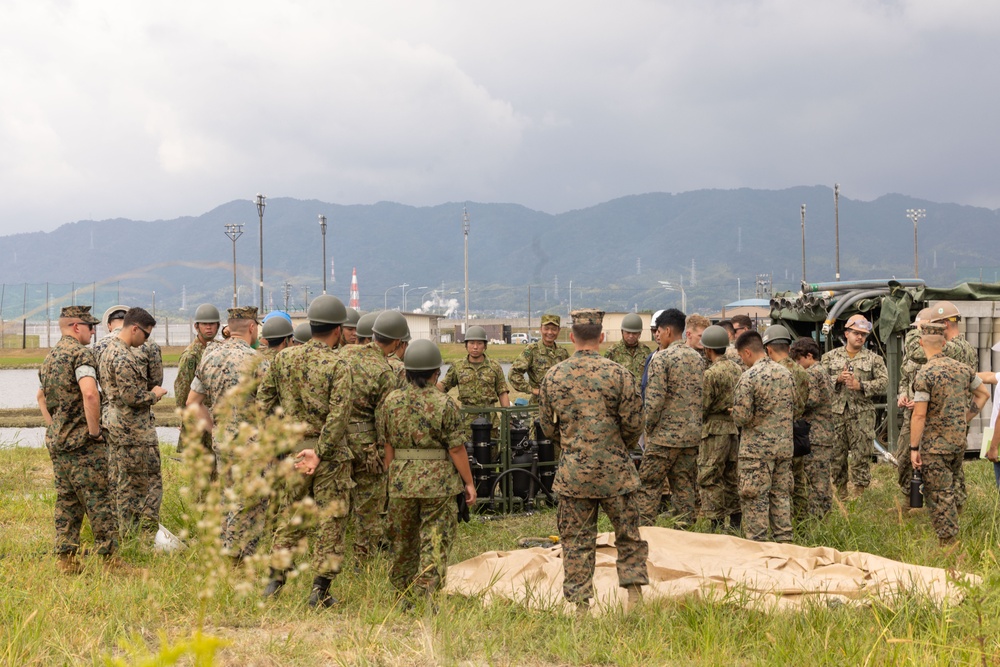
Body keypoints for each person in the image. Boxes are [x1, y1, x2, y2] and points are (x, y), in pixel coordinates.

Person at [538, 309, 647, 611]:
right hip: (617, 472)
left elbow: (547, 427)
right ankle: (634, 597)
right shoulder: (619, 374)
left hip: (574, 474)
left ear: (571, 337)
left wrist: (573, 445)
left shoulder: (554, 376)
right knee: (628, 536)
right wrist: (616, 447)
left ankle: (581, 607)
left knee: (576, 541)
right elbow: (635, 423)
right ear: (601, 337)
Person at [257, 295, 353, 607]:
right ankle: (319, 591)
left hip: (294, 452)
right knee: (331, 520)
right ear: (337, 330)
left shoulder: (283, 359)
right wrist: (321, 451)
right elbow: (339, 415)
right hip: (330, 457)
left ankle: (274, 582)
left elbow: (263, 403)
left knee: (291, 516)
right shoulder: (339, 365)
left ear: (311, 326)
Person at [379, 339, 476, 604]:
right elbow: (456, 449)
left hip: (401, 481)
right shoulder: (446, 404)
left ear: (407, 371)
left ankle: (402, 592)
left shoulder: (391, 401)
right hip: (439, 482)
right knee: (435, 536)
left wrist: (390, 476)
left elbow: (387, 444)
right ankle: (427, 594)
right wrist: (469, 483)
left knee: (402, 538)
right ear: (436, 372)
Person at [37, 306, 118, 572]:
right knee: (99, 499)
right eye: (89, 326)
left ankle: (66, 559)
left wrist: (55, 428)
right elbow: (90, 394)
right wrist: (94, 432)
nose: (93, 331)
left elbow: (41, 397)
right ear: (75, 327)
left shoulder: (51, 357)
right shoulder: (80, 354)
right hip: (83, 444)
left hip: (59, 443)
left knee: (67, 501)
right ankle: (111, 561)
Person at [186, 307, 264, 560]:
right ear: (252, 328)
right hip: (250, 441)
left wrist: (215, 428)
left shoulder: (210, 355)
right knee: (249, 500)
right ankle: (238, 557)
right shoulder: (257, 360)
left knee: (226, 495)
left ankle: (223, 549)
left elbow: (193, 403)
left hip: (222, 438)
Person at [909, 322, 989, 546]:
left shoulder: (925, 374)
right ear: (944, 343)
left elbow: (919, 416)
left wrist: (914, 448)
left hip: (935, 446)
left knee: (939, 493)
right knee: (956, 484)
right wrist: (964, 418)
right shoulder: (963, 369)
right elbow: (983, 395)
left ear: (920, 343)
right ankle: (957, 522)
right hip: (957, 441)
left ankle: (949, 544)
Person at [338, 310, 407, 562]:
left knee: (337, 503)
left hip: (337, 441)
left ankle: (331, 557)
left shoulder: (341, 355)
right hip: (367, 447)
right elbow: (384, 421)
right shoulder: (383, 371)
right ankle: (362, 561)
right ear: (398, 343)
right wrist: (385, 454)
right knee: (368, 507)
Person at [98, 307, 168, 536]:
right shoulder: (123, 356)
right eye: (146, 335)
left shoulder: (108, 349)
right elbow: (131, 396)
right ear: (135, 329)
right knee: (137, 485)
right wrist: (154, 395)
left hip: (116, 424)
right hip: (132, 429)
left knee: (120, 480)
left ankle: (122, 531)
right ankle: (134, 534)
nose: (147, 340)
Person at [637, 308, 704, 527]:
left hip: (664, 437)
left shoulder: (662, 359)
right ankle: (684, 532)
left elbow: (654, 401)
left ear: (667, 330)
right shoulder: (697, 358)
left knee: (648, 484)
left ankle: (644, 531)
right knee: (684, 485)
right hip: (691, 436)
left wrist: (647, 428)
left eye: (659, 330)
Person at [732, 330, 794, 543]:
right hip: (784, 447)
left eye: (741, 356)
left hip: (756, 451)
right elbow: (796, 406)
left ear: (747, 352)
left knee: (755, 498)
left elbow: (741, 417)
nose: (742, 360)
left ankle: (757, 545)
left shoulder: (749, 377)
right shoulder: (786, 373)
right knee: (781, 496)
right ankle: (784, 542)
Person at [821, 314, 888, 500]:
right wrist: (837, 379)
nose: (860, 337)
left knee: (861, 456)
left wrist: (862, 386)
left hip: (862, 414)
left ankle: (859, 495)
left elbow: (884, 383)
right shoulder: (829, 357)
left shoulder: (874, 359)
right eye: (856, 333)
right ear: (847, 333)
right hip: (836, 414)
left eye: (863, 334)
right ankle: (840, 493)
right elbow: (819, 381)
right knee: (836, 456)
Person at [762, 325, 810, 518]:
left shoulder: (770, 372)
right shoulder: (801, 371)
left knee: (777, 482)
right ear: (789, 348)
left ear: (768, 349)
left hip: (774, 434)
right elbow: (803, 402)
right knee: (798, 479)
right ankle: (801, 520)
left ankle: (780, 520)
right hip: (796, 431)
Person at [697, 325, 741, 531]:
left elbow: (703, 406)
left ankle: (714, 523)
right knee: (731, 476)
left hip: (714, 430)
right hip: (733, 428)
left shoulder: (711, 374)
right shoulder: (736, 368)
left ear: (708, 349)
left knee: (710, 475)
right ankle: (734, 523)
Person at [790, 337, 835, 518]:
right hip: (824, 432)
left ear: (809, 356)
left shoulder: (813, 373)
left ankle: (817, 517)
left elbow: (811, 399)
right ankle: (824, 514)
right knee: (822, 477)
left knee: (815, 480)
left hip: (815, 434)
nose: (798, 365)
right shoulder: (823, 371)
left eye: (799, 360)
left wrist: (794, 401)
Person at [437, 325, 510, 434]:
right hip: (466, 423)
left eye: (479, 343)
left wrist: (508, 417)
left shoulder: (494, 366)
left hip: (489, 421)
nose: (475, 347)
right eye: (471, 343)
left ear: (485, 345)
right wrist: (427, 381)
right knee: (467, 450)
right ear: (466, 345)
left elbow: (502, 392)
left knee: (491, 450)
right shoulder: (458, 366)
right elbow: (443, 387)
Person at [174, 304, 220, 454]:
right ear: (196, 326)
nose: (209, 328)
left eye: (212, 324)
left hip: (217, 417)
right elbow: (182, 390)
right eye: (205, 324)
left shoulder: (220, 350)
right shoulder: (191, 356)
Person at [509, 314, 569, 403]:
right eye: (546, 328)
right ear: (540, 329)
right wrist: (533, 390)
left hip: (560, 405)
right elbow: (513, 374)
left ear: (559, 331)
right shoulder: (532, 350)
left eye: (554, 329)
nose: (550, 332)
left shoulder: (563, 353)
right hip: (538, 407)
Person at [603, 313, 652, 382]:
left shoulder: (646, 351)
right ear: (622, 332)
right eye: (628, 333)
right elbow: (606, 377)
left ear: (639, 333)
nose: (631, 336)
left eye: (634, 333)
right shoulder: (612, 351)